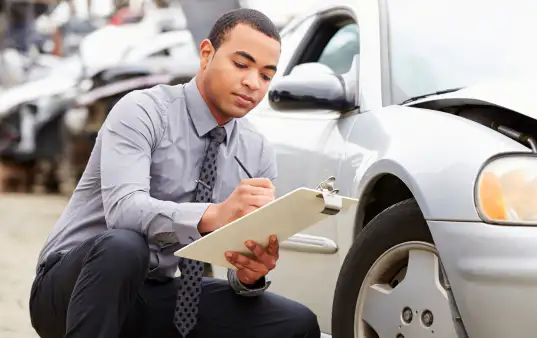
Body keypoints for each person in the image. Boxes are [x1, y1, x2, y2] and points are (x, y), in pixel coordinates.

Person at [28, 8, 320, 338]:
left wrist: (250, 273)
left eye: (266, 75)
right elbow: (124, 212)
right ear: (207, 54)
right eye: (241, 64)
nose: (252, 83)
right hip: (72, 289)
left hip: (156, 293)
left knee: (297, 323)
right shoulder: (142, 111)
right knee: (125, 247)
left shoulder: (257, 151)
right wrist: (214, 215)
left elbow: (237, 255)